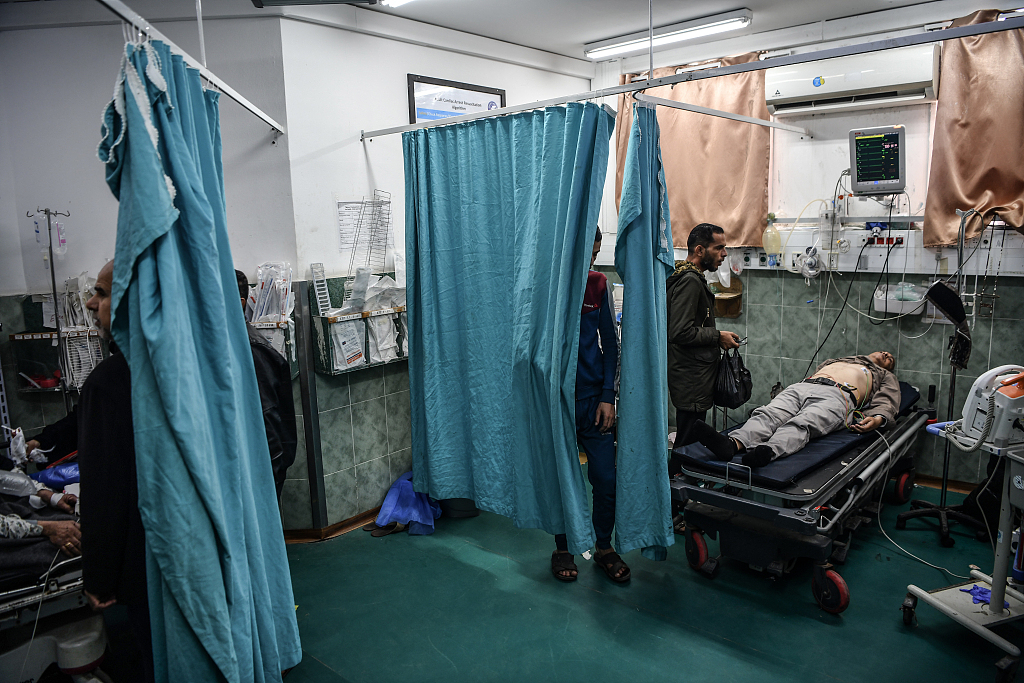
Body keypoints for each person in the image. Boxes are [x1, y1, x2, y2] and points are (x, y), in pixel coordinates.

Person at [78, 260, 153, 683]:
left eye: (102, 294)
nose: (91, 304)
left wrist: (100, 575)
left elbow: (105, 490)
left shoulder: (109, 382)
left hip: (145, 560)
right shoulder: (195, 369)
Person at [551, 227, 629, 584]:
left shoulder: (599, 284)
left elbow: (611, 346)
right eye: (587, 252)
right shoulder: (549, 285)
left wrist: (607, 397)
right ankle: (563, 548)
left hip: (592, 400)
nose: (591, 260)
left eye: (596, 253)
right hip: (558, 401)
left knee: (606, 478)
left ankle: (603, 547)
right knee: (562, 479)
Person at [691, 351, 899, 467]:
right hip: (803, 386)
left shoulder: (883, 375)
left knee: (802, 423)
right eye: (884, 352)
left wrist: (879, 418)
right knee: (768, 414)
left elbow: (887, 400)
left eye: (889, 359)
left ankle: (769, 451)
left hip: (840, 396)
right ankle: (732, 444)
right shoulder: (838, 359)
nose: (886, 353)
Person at [667, 223, 740, 463]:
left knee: (689, 440)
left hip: (695, 377)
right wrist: (717, 336)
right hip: (691, 380)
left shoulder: (691, 278)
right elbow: (679, 332)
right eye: (719, 248)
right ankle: (674, 495)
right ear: (700, 250)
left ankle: (678, 491)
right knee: (686, 445)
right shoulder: (689, 281)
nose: (724, 254)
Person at [236, 269, 298, 502]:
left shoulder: (251, 352)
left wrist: (267, 487)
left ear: (239, 302)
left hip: (261, 473)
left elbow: (268, 426)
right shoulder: (233, 346)